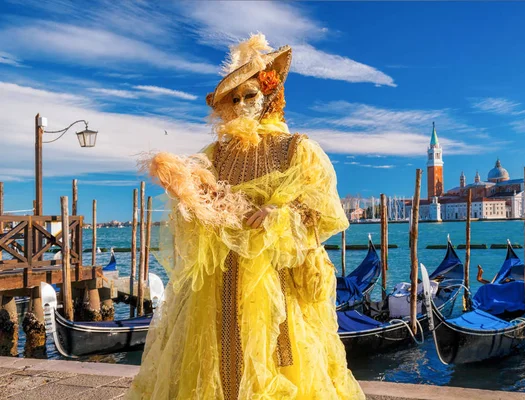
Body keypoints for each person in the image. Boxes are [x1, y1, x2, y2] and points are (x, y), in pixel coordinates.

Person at [126, 34, 364, 400]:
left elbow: (321, 212)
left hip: (277, 280)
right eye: (232, 99)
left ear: (270, 96)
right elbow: (199, 197)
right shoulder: (215, 153)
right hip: (218, 283)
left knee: (276, 357)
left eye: (248, 96)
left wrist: (279, 213)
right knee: (216, 361)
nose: (240, 105)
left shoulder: (297, 149)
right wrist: (182, 188)